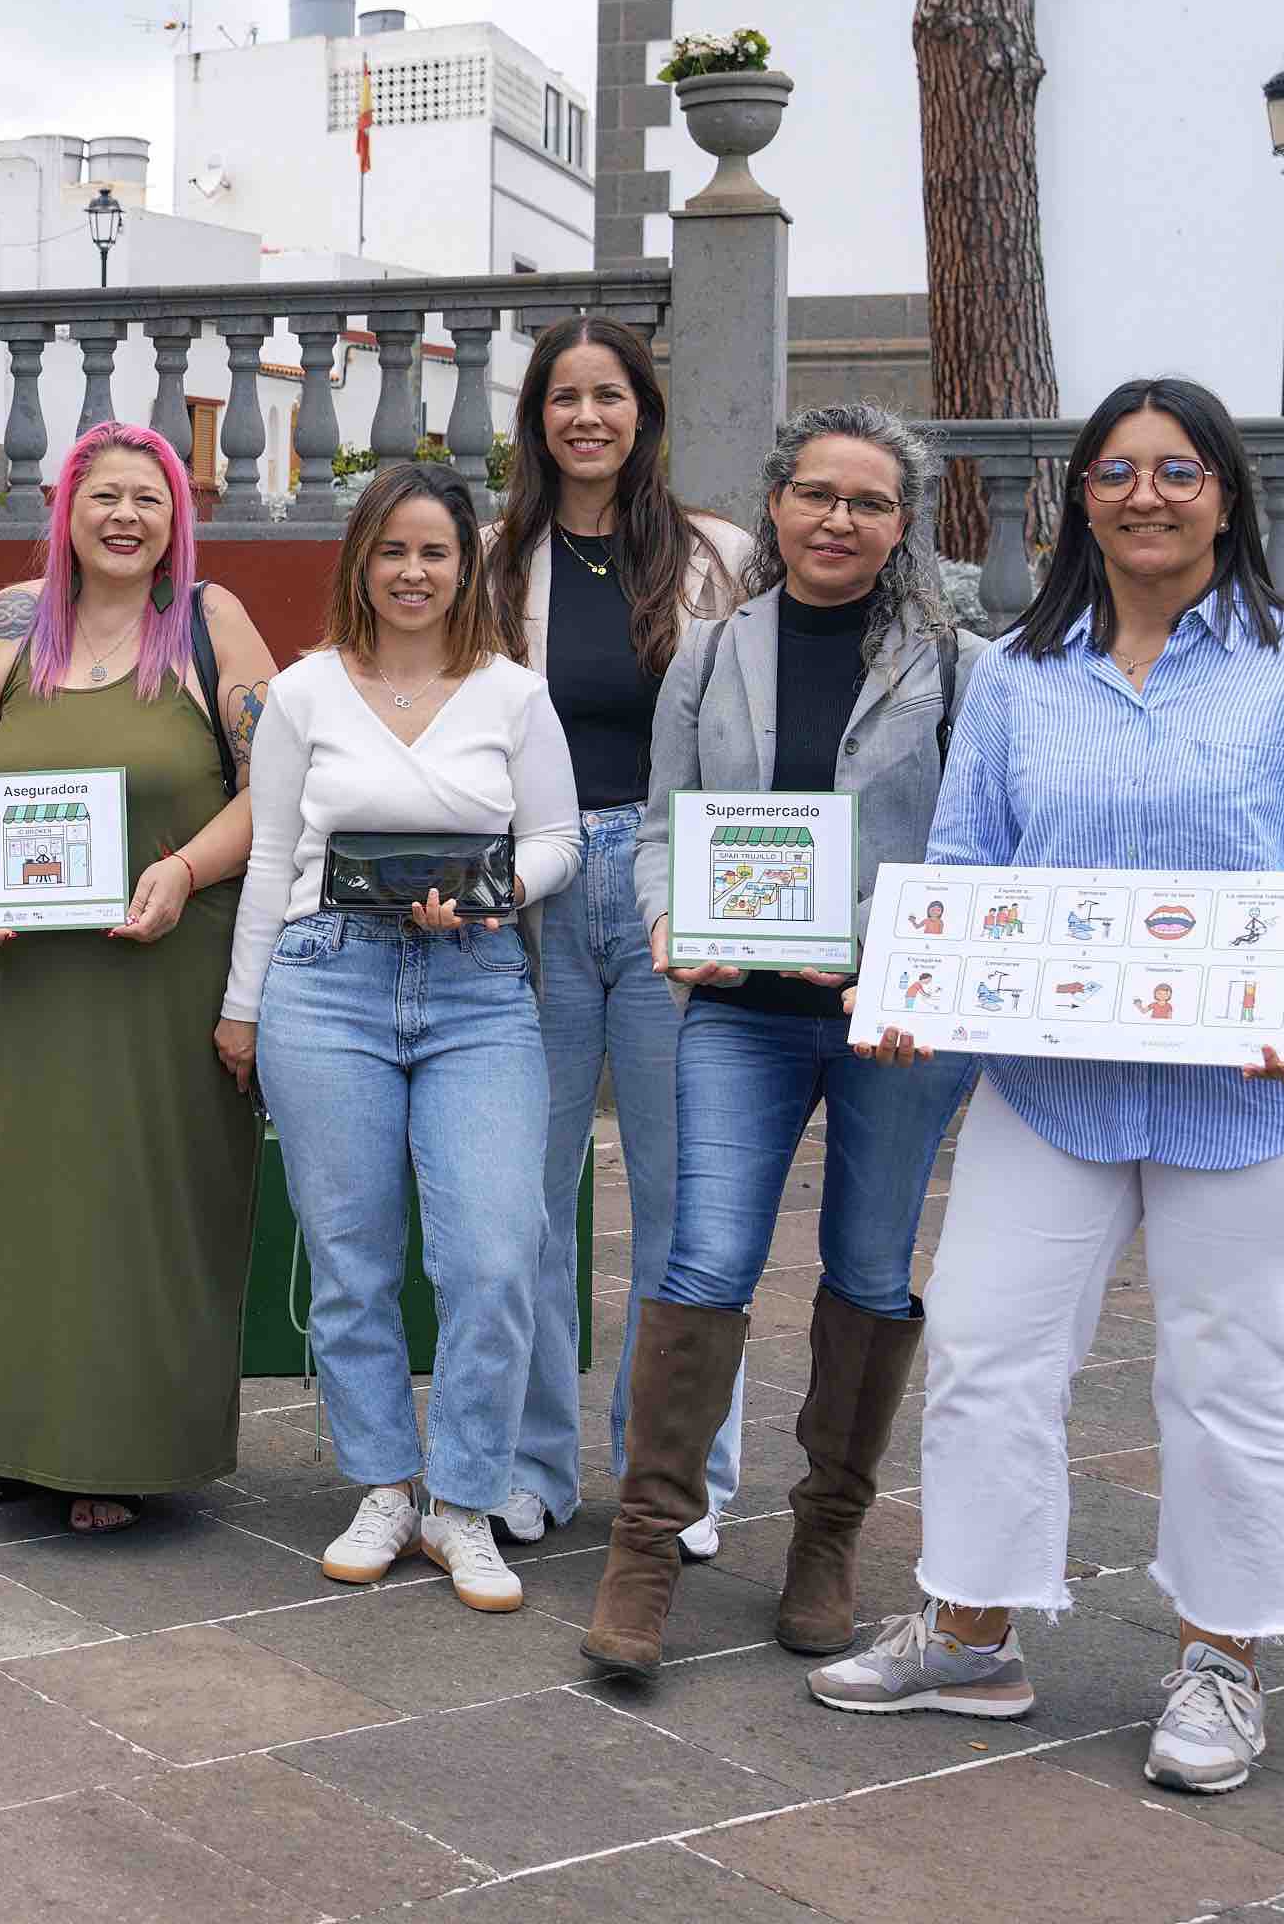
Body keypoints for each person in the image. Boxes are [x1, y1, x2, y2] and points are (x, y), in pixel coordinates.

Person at [806, 379, 1284, 1798]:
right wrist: (918, 977)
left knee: (1228, 1368)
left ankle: (1224, 1654)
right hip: (1056, 1080)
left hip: (1266, 1094)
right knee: (982, 1336)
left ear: (1226, 490)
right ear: (1078, 496)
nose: (1144, 494)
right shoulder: (1024, 677)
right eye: (1114, 470)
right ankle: (971, 1628)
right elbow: (971, 864)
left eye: (1175, 469)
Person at [581, 404, 983, 1674]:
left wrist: (914, 966)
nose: (837, 520)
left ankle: (825, 1539)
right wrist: (665, 924)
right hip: (741, 1011)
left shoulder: (958, 666)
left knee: (869, 1270)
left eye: (867, 503)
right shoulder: (709, 654)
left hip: (893, 1023)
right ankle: (645, 1550)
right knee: (699, 1261)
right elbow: (660, 828)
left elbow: (982, 850)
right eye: (816, 494)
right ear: (774, 504)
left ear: (902, 526)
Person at [221, 462, 578, 1613]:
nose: (413, 572)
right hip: (326, 987)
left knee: (490, 1254)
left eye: (434, 551)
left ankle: (463, 1501)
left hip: (478, 990)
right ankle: (382, 1482)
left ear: (465, 562)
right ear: (359, 563)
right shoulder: (305, 691)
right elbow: (274, 859)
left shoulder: (513, 695)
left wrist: (490, 891)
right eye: (392, 551)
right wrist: (243, 1001)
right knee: (351, 1261)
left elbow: (561, 841)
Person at [0, 423, 277, 1534]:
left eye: (148, 498)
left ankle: (125, 1451)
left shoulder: (209, 623)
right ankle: (20, 1436)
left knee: (152, 1201)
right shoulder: (4, 625)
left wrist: (180, 871)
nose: (125, 516)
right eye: (103, 496)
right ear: (65, 510)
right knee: (39, 1197)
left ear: (177, 517)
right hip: (42, 975)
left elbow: (279, 784)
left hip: (172, 959)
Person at [487, 315, 753, 1551]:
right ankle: (527, 1464)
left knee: (684, 1196)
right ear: (536, 418)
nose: (585, 417)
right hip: (530, 891)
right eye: (561, 398)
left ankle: (677, 1474)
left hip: (668, 890)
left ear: (643, 409)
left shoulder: (718, 559)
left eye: (608, 395)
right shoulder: (491, 559)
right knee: (522, 1201)